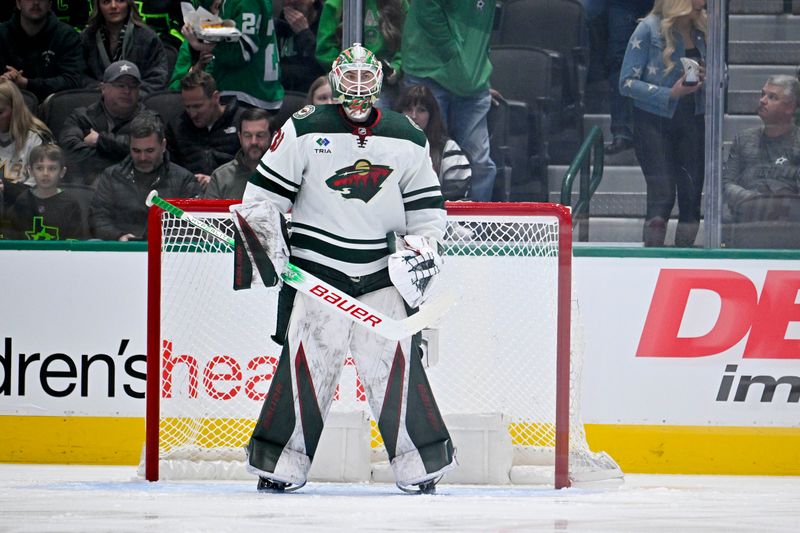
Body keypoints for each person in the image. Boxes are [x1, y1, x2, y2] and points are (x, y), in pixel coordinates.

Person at [241, 43, 455, 494]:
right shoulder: (302, 129)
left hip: (382, 278)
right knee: (306, 367)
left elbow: (429, 214)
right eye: (350, 80)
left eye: (365, 80)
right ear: (336, 82)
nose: (358, 90)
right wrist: (271, 244)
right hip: (318, 276)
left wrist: (418, 257)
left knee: (395, 368)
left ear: (378, 83)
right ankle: (279, 465)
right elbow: (260, 200)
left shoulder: (407, 135)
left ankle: (422, 465)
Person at [619, 0, 707, 247]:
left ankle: (684, 259)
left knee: (691, 198)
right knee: (663, 195)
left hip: (693, 119)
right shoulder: (647, 29)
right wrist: (669, 93)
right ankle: (653, 258)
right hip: (653, 121)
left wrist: (708, 77)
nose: (704, 2)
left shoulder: (704, 30)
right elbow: (625, 83)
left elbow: (723, 75)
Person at [400, 1, 496, 202]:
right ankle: (426, 224)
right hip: (429, 73)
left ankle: (478, 229)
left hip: (473, 83)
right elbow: (427, 9)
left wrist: (475, 68)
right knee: (424, 155)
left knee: (480, 163)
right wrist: (452, 54)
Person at [89, 110, 200, 240]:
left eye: (149, 151)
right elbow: (97, 218)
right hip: (121, 250)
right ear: (130, 145)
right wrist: (118, 236)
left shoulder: (184, 180)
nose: (142, 158)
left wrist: (158, 240)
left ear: (163, 145)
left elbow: (193, 225)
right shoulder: (111, 176)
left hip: (166, 254)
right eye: (136, 150)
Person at [581, 0, 655, 155]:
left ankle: (654, 133)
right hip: (622, 5)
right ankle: (622, 131)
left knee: (658, 64)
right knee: (619, 61)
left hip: (664, 5)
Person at [723, 75, 800, 222]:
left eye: (772, 97)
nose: (762, 100)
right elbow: (727, 184)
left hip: (788, 223)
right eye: (763, 94)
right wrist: (755, 200)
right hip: (746, 216)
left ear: (789, 108)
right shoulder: (743, 139)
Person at [184, 0, 284, 110]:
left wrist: (200, 45)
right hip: (250, 90)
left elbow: (243, 52)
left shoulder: (246, 2)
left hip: (247, 92)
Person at [59, 60, 145, 185]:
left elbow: (146, 151)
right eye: (120, 85)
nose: (127, 91)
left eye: (133, 86)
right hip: (86, 188)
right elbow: (69, 149)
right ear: (103, 88)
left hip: (133, 188)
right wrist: (121, 158)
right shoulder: (82, 117)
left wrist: (99, 140)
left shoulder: (149, 119)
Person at [316, 0, 406, 109]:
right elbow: (325, 50)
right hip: (345, 83)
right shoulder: (335, 4)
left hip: (385, 83)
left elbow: (406, 47)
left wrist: (396, 67)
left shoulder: (399, 3)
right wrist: (349, 73)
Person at [166, 70, 242, 187]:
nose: (192, 114)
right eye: (188, 107)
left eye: (197, 106)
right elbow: (170, 171)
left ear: (215, 97)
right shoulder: (177, 127)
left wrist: (215, 182)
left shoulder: (241, 122)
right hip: (189, 196)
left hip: (231, 193)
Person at [396, 84, 471, 201]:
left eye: (421, 110)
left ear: (431, 116)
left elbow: (457, 194)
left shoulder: (448, 148)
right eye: (408, 109)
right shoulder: (386, 146)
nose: (414, 116)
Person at [0, 0, 84, 102]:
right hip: (8, 105)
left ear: (49, 5)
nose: (36, 2)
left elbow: (73, 81)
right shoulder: (2, 34)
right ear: (18, 3)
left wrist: (26, 83)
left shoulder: (67, 36)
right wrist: (7, 79)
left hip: (53, 107)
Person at [0, 79, 53, 238]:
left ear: (14, 110)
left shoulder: (38, 138)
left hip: (27, 215)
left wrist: (5, 189)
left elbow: (44, 188)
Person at [80, 0, 169, 96]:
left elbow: (158, 78)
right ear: (98, 6)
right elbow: (79, 75)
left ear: (129, 4)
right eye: (106, 2)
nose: (113, 6)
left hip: (139, 102)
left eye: (120, 0)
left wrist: (129, 91)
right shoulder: (87, 37)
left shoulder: (148, 37)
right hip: (96, 99)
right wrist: (101, 89)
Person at [8, 144, 88, 240]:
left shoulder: (70, 203)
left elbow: (75, 241)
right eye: (39, 168)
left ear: (62, 172)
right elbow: (15, 240)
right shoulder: (23, 201)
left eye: (52, 168)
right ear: (30, 171)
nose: (45, 173)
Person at [204, 107, 271, 200]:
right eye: (247, 135)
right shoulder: (220, 177)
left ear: (274, 137)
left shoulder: (289, 173)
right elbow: (209, 214)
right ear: (240, 137)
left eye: (260, 135)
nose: (253, 142)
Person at [168, 0, 221, 91]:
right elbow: (175, 88)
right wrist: (199, 66)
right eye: (218, 7)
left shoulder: (240, 44)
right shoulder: (190, 44)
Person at [276, 0, 324, 93]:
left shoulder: (325, 24)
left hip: (315, 94)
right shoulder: (277, 26)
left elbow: (323, 68)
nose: (292, 1)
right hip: (282, 95)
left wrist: (304, 33)